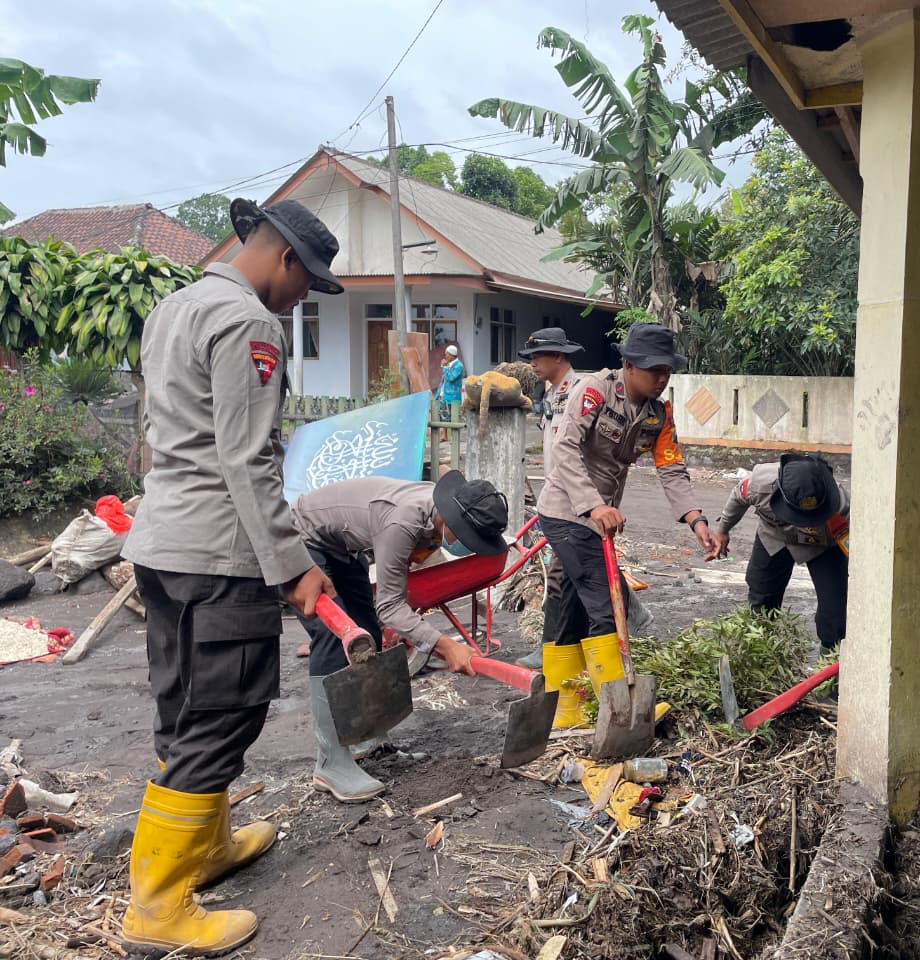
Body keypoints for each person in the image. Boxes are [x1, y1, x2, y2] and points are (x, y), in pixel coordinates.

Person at [119, 198, 344, 955]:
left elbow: (167, 434)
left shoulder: (174, 307)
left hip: (163, 543)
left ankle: (203, 846)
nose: (303, 298)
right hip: (219, 551)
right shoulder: (251, 324)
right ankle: (156, 905)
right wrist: (295, 568)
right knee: (223, 714)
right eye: (308, 283)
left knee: (183, 704)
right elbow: (246, 459)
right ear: (285, 259)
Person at [536, 323, 716, 727]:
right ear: (630, 365)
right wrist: (593, 506)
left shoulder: (659, 414)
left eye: (668, 371)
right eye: (655, 370)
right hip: (567, 510)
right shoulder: (596, 390)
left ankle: (563, 709)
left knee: (569, 601)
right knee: (605, 601)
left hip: (598, 518)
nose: (662, 378)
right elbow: (564, 448)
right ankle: (621, 714)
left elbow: (671, 467)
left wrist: (695, 519)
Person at [290, 473, 502, 801]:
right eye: (466, 536)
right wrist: (446, 646)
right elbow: (391, 607)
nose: (466, 544)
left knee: (369, 634)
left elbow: (389, 605)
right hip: (304, 540)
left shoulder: (430, 518)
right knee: (338, 636)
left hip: (343, 549)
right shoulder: (403, 520)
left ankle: (367, 739)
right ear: (448, 518)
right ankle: (330, 763)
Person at [708, 454, 850, 651]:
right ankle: (761, 653)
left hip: (822, 545)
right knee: (762, 598)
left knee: (835, 612)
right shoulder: (759, 484)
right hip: (774, 537)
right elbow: (738, 497)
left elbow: (854, 545)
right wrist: (723, 530)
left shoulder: (841, 506)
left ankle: (830, 667)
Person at [515, 327, 584, 669]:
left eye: (537, 357)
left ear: (558, 356)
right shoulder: (553, 394)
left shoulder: (579, 394)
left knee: (564, 574)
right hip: (556, 500)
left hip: (574, 504)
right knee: (575, 573)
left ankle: (551, 648)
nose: (532, 364)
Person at [439, 344, 465, 441]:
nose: (445, 356)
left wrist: (445, 368)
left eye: (447, 354)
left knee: (453, 417)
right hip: (446, 394)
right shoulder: (450, 364)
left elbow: (451, 378)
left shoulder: (459, 366)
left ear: (451, 354)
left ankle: (455, 438)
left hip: (453, 396)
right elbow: (444, 380)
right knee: (443, 414)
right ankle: (444, 435)